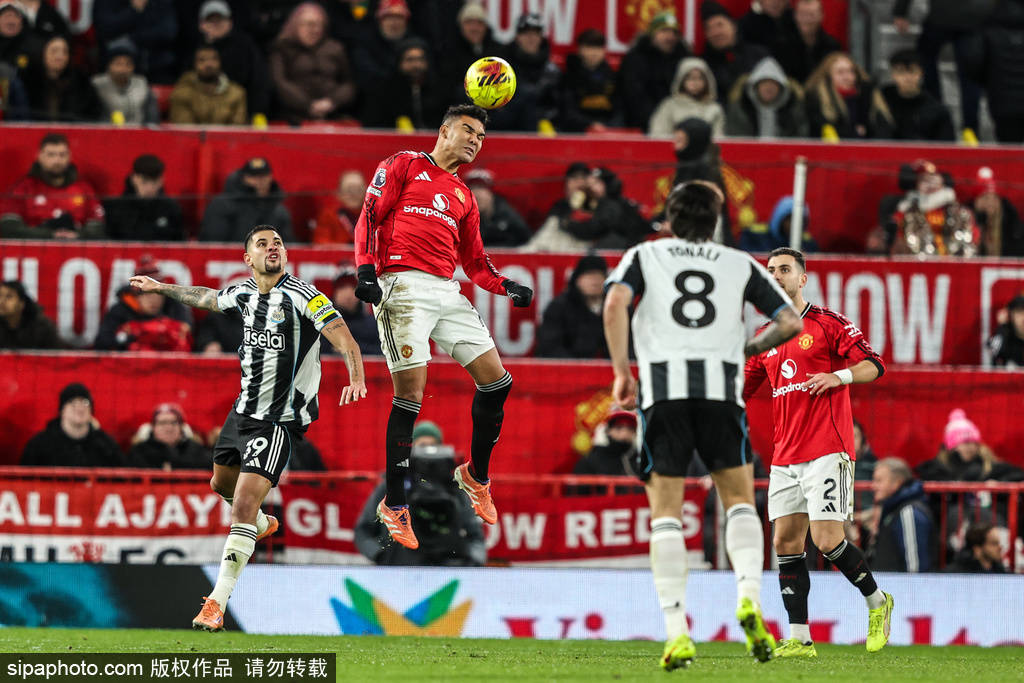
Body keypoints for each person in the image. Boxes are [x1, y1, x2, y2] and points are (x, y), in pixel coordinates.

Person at [128, 224, 368, 631]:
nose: (272, 248)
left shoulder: (306, 296)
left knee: (240, 504)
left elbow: (345, 339)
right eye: (263, 244)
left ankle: (216, 602)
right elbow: (206, 297)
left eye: (278, 243)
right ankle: (259, 524)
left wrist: (356, 376)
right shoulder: (242, 293)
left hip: (279, 420)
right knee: (220, 485)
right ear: (248, 258)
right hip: (242, 412)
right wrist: (161, 288)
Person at [604, 181, 803, 669]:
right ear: (715, 223)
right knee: (739, 502)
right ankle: (750, 599)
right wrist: (746, 350)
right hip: (721, 395)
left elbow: (614, 304)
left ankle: (677, 631)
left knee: (666, 514)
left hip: (663, 395)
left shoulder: (645, 255)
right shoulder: (739, 263)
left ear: (670, 219)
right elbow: (790, 322)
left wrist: (622, 372)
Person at [353, 103, 534, 551]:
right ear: (444, 131)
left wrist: (506, 285)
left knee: (497, 382)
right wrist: (366, 270)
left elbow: (475, 262)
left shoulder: (464, 196)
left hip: (445, 289)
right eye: (468, 131)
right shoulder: (404, 164)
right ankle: (395, 503)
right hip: (401, 285)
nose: (475, 141)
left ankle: (475, 475)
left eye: (481, 137)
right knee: (411, 395)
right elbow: (370, 216)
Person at [743, 247, 892, 658]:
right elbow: (741, 388)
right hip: (785, 455)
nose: (776, 276)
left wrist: (838, 376)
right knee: (785, 543)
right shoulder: (766, 337)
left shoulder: (828, 323)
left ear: (802, 278)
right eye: (770, 271)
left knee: (827, 540)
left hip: (827, 447)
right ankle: (800, 638)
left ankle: (878, 602)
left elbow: (874, 364)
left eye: (784, 269)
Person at [354, 422, 486, 566]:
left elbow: (475, 535)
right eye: (422, 446)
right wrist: (381, 555)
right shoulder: (392, 485)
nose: (428, 452)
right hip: (400, 568)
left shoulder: (454, 488)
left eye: (433, 445)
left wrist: (472, 562)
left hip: (446, 568)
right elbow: (363, 530)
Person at [893, 0, 992, 141]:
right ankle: (969, 129)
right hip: (971, 18)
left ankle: (936, 115)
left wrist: (901, 11)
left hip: (943, 16)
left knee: (926, 60)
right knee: (969, 74)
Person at [0, 132, 106, 239]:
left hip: (76, 247)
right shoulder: (24, 188)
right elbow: (8, 227)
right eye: (51, 155)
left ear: (69, 157)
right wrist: (49, 235)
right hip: (36, 247)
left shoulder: (84, 189)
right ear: (39, 156)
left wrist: (77, 236)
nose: (57, 160)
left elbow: (98, 227)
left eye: (62, 155)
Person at [269, 2, 356, 124]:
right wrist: (308, 105)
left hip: (334, 114)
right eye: (309, 24)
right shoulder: (281, 48)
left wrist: (332, 102)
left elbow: (349, 83)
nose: (315, 30)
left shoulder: (335, 48)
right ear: (295, 25)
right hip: (292, 117)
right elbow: (279, 82)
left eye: (319, 25)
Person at [95, 258, 193, 352]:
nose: (154, 300)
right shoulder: (120, 310)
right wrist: (128, 338)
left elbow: (189, 339)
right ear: (136, 296)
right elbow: (102, 343)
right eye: (147, 295)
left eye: (158, 294)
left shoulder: (175, 308)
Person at [196, 0, 270, 121]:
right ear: (201, 24)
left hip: (241, 113)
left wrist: (257, 113)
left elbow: (259, 83)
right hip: (201, 114)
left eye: (220, 20)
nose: (216, 24)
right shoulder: (194, 49)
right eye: (211, 20)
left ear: (230, 23)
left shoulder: (245, 46)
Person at [617, 10, 691, 130]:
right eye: (664, 31)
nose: (670, 37)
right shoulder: (635, 59)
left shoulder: (685, 59)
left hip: (680, 126)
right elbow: (634, 98)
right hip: (644, 126)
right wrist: (658, 123)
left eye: (674, 32)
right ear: (652, 34)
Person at [21, 383, 124, 467]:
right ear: (62, 411)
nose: (79, 407)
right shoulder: (40, 445)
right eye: (72, 402)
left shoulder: (106, 446)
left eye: (85, 402)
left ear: (91, 411)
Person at [963, 0, 1024, 143]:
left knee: (1008, 150)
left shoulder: (988, 28)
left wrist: (989, 83)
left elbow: (973, 62)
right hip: (1002, 99)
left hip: (1002, 102)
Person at [889, 160, 978, 257]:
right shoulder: (906, 213)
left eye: (933, 179)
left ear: (942, 181)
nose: (930, 185)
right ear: (916, 185)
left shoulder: (960, 212)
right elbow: (900, 243)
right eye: (924, 180)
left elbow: (971, 238)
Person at [490, 12, 560, 132]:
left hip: (540, 128)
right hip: (506, 126)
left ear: (541, 37)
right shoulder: (502, 67)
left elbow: (558, 106)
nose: (531, 38)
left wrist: (544, 119)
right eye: (526, 33)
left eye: (535, 33)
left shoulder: (552, 71)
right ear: (517, 36)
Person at [199, 158, 293, 243]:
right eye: (254, 176)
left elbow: (288, 244)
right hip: (230, 256)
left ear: (270, 178)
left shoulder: (279, 211)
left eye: (264, 176)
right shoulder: (222, 205)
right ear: (243, 178)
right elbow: (212, 242)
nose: (260, 181)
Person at [866, 457, 934, 572]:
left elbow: (915, 568)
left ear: (897, 482)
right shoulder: (893, 509)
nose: (873, 486)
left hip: (899, 583)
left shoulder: (909, 512)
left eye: (879, 481)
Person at [805, 52, 894, 140]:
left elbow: (884, 127)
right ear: (828, 77)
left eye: (851, 71)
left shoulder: (867, 94)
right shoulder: (817, 99)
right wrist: (855, 132)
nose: (847, 77)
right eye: (840, 72)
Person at [536, 254, 609, 359]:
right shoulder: (559, 307)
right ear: (577, 280)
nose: (595, 281)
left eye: (600, 276)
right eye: (589, 275)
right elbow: (550, 346)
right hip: (566, 366)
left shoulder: (617, 307)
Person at [363, 37, 446, 130]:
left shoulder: (440, 90)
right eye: (410, 60)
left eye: (421, 59)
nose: (416, 65)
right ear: (399, 62)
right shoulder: (384, 92)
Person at [92, 0, 178, 84]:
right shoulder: (107, 2)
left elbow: (167, 32)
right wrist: (134, 10)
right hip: (117, 69)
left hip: (158, 67)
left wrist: (131, 37)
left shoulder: (161, 3)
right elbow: (106, 29)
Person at [700, 2, 770, 106]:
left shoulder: (758, 54)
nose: (715, 32)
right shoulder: (703, 65)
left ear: (734, 26)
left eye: (720, 25)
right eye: (709, 28)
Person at [103, 154, 185, 241]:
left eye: (154, 182)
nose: (150, 188)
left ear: (161, 181)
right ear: (134, 179)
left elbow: (180, 242)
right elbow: (108, 242)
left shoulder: (171, 208)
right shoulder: (116, 208)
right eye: (144, 182)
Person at [880, 50, 955, 142]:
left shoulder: (936, 111)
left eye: (912, 71)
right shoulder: (881, 102)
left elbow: (946, 145)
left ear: (921, 73)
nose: (907, 78)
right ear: (893, 74)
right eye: (901, 72)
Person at [724, 56, 807, 138]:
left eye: (773, 83)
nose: (769, 87)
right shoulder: (741, 109)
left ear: (781, 89)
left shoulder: (793, 110)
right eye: (764, 83)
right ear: (755, 87)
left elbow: (800, 137)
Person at [557, 28, 621, 133]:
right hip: (577, 133)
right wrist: (590, 125)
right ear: (580, 49)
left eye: (598, 47)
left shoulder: (613, 77)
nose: (594, 53)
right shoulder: (569, 77)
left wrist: (609, 127)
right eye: (589, 47)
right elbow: (567, 111)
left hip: (609, 132)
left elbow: (620, 111)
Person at [24, 34, 100, 122]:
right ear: (43, 54)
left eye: (65, 52)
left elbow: (92, 114)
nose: (60, 57)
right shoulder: (30, 82)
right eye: (54, 51)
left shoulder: (81, 83)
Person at [168, 44, 247, 125]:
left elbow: (237, 128)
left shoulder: (236, 94)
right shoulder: (181, 93)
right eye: (202, 60)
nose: (209, 64)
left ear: (220, 62)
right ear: (194, 64)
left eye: (214, 59)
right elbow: (184, 128)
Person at [442, 2, 505, 100]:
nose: (474, 28)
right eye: (469, 22)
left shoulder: (498, 51)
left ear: (486, 26)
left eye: (479, 23)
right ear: (460, 25)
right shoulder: (448, 51)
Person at [648, 57, 724, 138]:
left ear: (707, 81)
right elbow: (658, 135)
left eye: (700, 78)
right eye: (690, 78)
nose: (695, 83)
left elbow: (718, 139)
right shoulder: (669, 106)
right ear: (681, 80)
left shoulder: (714, 109)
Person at [348, 0, 412, 97]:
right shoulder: (365, 43)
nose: (394, 22)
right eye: (389, 17)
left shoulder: (414, 44)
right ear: (380, 21)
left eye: (399, 17)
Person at [91, 37, 159, 124]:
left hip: (139, 130)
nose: (123, 69)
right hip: (106, 130)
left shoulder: (142, 83)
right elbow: (92, 116)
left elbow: (152, 117)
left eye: (128, 64)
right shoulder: (97, 85)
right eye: (118, 63)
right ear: (108, 65)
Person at [773, 0, 841, 84]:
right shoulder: (782, 45)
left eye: (811, 15)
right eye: (802, 14)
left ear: (821, 16)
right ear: (795, 16)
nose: (807, 20)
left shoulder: (832, 46)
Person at [127, 403, 212, 470]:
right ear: (153, 427)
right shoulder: (140, 451)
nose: (168, 428)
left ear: (182, 427)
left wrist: (172, 465)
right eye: (162, 423)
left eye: (174, 423)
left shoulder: (196, 450)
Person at [465, 168, 531, 248]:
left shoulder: (507, 216)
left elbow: (526, 241)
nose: (477, 194)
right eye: (472, 188)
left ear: (491, 193)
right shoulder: (463, 217)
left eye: (481, 188)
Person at [325, 263, 380, 357]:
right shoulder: (323, 326)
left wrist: (352, 349)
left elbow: (383, 353)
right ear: (334, 293)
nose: (348, 294)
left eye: (352, 287)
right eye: (342, 287)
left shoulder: (373, 325)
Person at [972, 167, 1024, 257]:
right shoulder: (970, 219)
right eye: (986, 198)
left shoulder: (1011, 223)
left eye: (994, 198)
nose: (990, 203)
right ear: (977, 202)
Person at [0, 280, 63, 349]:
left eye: (9, 297)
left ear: (22, 304)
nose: (2, 302)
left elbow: (55, 353)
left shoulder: (41, 329)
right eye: (0, 296)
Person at [739, 196, 816, 253]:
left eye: (801, 220)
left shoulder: (807, 243)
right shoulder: (754, 235)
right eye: (790, 219)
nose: (795, 224)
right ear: (779, 218)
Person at [573, 409, 636, 476]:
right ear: (607, 430)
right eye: (618, 427)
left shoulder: (638, 459)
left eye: (630, 428)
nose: (625, 433)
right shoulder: (591, 460)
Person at [312, 170, 364, 245]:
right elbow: (320, 244)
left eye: (358, 189)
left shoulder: (372, 216)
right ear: (339, 193)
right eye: (349, 189)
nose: (354, 194)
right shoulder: (328, 216)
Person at [0, 0, 42, 74]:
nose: (11, 21)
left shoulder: (35, 46)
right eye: (7, 16)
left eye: (16, 16)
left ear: (22, 23)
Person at [988, 295, 1024, 367]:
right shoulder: (1005, 336)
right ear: (1010, 316)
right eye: (1019, 312)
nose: (1023, 317)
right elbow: (995, 350)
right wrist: (1002, 327)